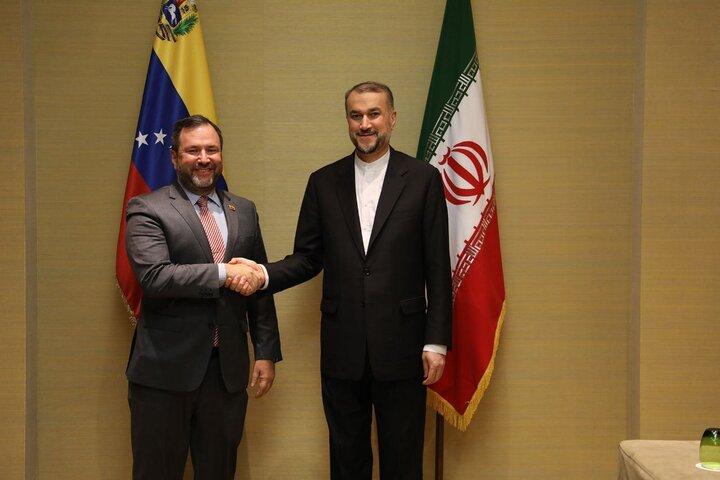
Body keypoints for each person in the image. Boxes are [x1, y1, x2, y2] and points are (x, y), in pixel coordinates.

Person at [229, 81, 452, 479]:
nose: (365, 124)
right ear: (347, 121)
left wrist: (436, 342)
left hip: (403, 346)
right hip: (342, 346)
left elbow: (437, 267)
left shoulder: (423, 179)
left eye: (374, 114)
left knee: (403, 459)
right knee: (346, 459)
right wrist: (262, 273)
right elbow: (307, 259)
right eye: (356, 115)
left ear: (392, 119)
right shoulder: (323, 182)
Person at [124, 115, 281, 480]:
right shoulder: (147, 208)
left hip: (226, 373)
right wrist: (224, 273)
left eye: (212, 149)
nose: (204, 158)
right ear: (174, 156)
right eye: (193, 150)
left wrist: (266, 351)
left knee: (219, 471)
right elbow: (155, 277)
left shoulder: (244, 209)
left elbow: (258, 285)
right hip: (164, 372)